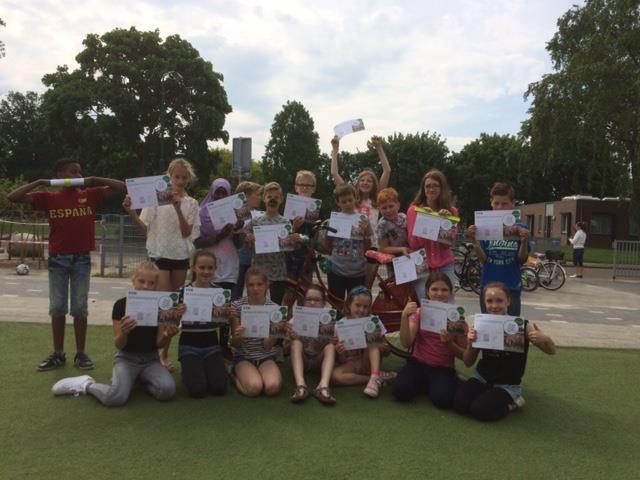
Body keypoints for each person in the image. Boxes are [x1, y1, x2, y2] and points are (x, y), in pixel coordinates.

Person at [7, 158, 125, 371]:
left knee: (80, 308)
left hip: (82, 259)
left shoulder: (89, 195)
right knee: (57, 307)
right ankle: (58, 353)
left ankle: (80, 354)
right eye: (73, 171)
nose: (77, 175)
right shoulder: (49, 198)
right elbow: (12, 197)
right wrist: (40, 182)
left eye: (80, 171)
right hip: (58, 260)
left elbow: (122, 187)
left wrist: (92, 180)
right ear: (60, 175)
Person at [50, 262, 182, 406]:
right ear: (133, 281)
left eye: (151, 283)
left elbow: (159, 344)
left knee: (167, 391)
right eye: (141, 281)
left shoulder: (161, 307)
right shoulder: (121, 305)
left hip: (151, 359)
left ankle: (136, 382)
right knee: (115, 398)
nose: (145, 286)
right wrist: (124, 333)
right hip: (126, 359)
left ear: (156, 285)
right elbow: (119, 344)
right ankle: (86, 384)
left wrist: (167, 335)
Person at [124, 157, 200, 371]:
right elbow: (144, 228)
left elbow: (187, 233)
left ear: (188, 180)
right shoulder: (154, 199)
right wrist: (131, 211)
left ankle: (164, 354)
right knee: (163, 304)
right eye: (177, 176)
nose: (180, 181)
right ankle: (152, 353)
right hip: (159, 254)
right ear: (169, 176)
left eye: (184, 178)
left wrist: (177, 207)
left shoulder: (192, 203)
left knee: (173, 308)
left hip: (180, 256)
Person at [453, 282, 556, 421]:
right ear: (484, 302)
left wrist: (545, 339)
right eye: (489, 301)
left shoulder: (522, 326)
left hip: (507, 385)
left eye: (499, 301)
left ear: (508, 301)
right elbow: (468, 362)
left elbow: (551, 351)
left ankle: (513, 403)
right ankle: (479, 392)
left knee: (479, 410)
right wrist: (471, 343)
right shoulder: (480, 325)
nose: (494, 306)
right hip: (482, 378)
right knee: (459, 404)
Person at [392, 273, 467, 408]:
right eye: (434, 289)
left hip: (443, 366)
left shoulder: (457, 319)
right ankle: (427, 383)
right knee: (400, 392)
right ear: (427, 292)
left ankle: (442, 382)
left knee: (443, 400)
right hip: (418, 362)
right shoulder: (420, 313)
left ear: (450, 293)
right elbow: (406, 343)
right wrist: (404, 316)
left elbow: (464, 356)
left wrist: (449, 344)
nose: (439, 293)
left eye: (444, 290)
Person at [466, 182, 530, 316]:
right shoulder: (484, 227)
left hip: (511, 287)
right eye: (496, 203)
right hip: (488, 287)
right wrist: (474, 241)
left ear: (513, 203)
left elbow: (522, 260)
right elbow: (483, 259)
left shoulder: (521, 228)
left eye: (504, 203)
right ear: (491, 203)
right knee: (489, 329)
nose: (500, 207)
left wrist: (524, 242)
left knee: (510, 330)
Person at [176, 250, 231, 398]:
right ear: (194, 268)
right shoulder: (183, 292)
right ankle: (189, 369)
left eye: (210, 268)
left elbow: (223, 325)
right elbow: (172, 325)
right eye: (202, 267)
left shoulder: (219, 293)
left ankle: (206, 367)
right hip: (188, 346)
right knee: (197, 391)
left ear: (215, 269)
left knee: (219, 389)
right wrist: (177, 314)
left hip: (212, 346)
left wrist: (228, 316)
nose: (206, 271)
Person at [331, 286, 395, 398]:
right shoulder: (340, 325)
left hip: (369, 363)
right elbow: (339, 359)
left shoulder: (374, 321)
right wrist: (338, 350)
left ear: (369, 308)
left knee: (372, 338)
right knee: (335, 376)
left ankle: (374, 376)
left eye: (365, 307)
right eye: (357, 305)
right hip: (351, 364)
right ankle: (376, 379)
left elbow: (387, 352)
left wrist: (383, 347)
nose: (361, 310)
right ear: (349, 304)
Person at [229, 266, 283, 397]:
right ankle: (233, 376)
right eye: (251, 285)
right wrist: (238, 334)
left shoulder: (275, 309)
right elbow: (235, 344)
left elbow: (268, 345)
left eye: (259, 284)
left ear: (267, 285)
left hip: (265, 356)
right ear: (246, 286)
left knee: (272, 388)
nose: (255, 289)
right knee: (254, 389)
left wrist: (277, 331)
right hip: (244, 356)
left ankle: (256, 375)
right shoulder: (237, 306)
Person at [406, 170, 459, 301]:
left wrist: (443, 224)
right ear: (423, 189)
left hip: (445, 264)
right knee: (426, 305)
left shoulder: (452, 211)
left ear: (442, 188)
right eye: (428, 186)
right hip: (423, 265)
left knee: (448, 304)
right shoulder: (414, 210)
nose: (431, 189)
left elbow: (449, 244)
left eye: (435, 185)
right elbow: (414, 243)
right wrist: (425, 221)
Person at [245, 182, 301, 304]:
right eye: (269, 197)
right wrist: (248, 239)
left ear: (281, 199)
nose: (272, 200)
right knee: (256, 304)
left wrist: (294, 234)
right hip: (258, 272)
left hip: (278, 273)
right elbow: (247, 244)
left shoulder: (286, 222)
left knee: (276, 306)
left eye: (276, 197)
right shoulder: (255, 221)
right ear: (264, 198)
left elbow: (290, 247)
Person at [286, 284, 337, 405]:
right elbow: (286, 349)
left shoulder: (331, 321)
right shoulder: (295, 320)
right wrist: (291, 338)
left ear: (324, 303)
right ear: (303, 302)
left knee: (330, 347)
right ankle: (301, 386)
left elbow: (339, 350)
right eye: (309, 299)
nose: (312, 303)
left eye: (317, 300)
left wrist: (335, 342)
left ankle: (323, 386)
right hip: (303, 360)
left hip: (319, 361)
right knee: (296, 343)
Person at [330, 135, 391, 234]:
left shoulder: (377, 199)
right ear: (358, 183)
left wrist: (379, 148)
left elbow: (387, 171)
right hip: (352, 239)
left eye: (369, 181)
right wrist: (335, 149)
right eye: (362, 180)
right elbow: (334, 173)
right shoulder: (351, 197)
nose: (365, 183)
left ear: (374, 184)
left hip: (371, 242)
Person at [326, 184, 372, 303]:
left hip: (358, 271)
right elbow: (328, 244)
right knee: (337, 305)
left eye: (350, 200)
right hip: (336, 270)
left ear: (356, 198)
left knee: (356, 306)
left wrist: (365, 232)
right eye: (343, 201)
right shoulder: (333, 220)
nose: (347, 204)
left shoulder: (364, 219)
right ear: (338, 202)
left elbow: (368, 247)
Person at [194, 178, 243, 291]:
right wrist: (220, 236)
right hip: (206, 268)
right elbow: (197, 242)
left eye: (224, 193)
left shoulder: (235, 213)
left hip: (228, 268)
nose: (220, 196)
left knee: (226, 303)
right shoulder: (201, 213)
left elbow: (239, 245)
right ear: (212, 192)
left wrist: (236, 231)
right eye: (218, 192)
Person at [232, 181, 263, 300]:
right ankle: (234, 317)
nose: (260, 197)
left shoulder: (260, 215)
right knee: (236, 292)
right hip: (239, 260)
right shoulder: (234, 215)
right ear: (246, 196)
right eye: (257, 194)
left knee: (255, 293)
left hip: (256, 260)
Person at [287, 170, 321, 279]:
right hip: (291, 254)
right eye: (301, 184)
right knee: (290, 286)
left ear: (314, 189)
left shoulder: (318, 209)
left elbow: (319, 234)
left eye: (308, 185)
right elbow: (284, 232)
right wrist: (294, 227)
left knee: (306, 285)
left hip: (308, 254)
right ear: (296, 187)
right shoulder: (289, 206)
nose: (305, 188)